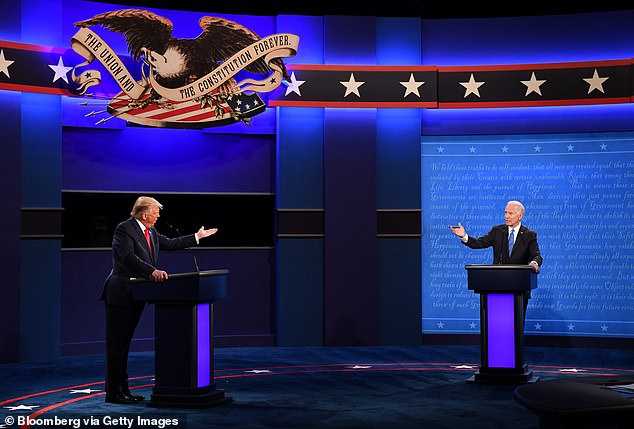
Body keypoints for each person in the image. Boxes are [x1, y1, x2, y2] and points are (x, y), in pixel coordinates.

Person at [101, 196, 218, 404]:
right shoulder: (124, 229)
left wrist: (197, 237)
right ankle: (114, 393)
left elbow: (171, 243)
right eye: (156, 212)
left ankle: (123, 391)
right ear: (144, 214)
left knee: (125, 344)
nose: (158, 216)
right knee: (117, 346)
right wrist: (152, 271)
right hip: (121, 293)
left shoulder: (152, 232)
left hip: (137, 294)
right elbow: (128, 257)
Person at [449, 200, 542, 271]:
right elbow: (478, 243)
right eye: (505, 213)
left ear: (520, 216)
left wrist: (534, 263)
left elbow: (536, 256)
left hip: (520, 282)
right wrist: (464, 236)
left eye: (510, 213)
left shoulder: (529, 235)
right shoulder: (497, 231)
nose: (506, 216)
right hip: (498, 280)